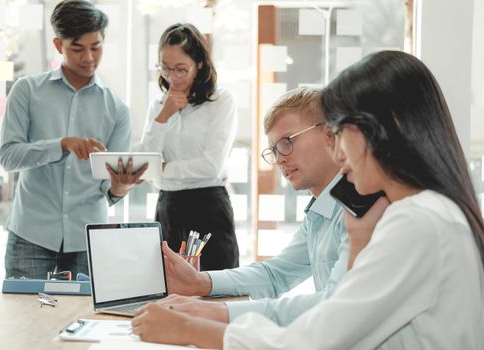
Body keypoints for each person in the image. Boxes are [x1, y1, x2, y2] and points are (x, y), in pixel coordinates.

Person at [131, 50, 484, 349]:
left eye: (341, 131)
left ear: (385, 127)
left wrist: (192, 329)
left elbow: (318, 337)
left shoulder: (417, 221)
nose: (338, 148)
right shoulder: (420, 212)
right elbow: (334, 313)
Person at [138, 86, 349, 326]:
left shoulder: (358, 211)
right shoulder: (319, 212)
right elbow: (274, 274)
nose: (279, 158)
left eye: (287, 141)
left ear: (329, 134)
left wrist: (216, 313)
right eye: (274, 149)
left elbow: (334, 306)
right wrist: (200, 281)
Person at [0, 0, 144, 280]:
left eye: (96, 47)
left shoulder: (117, 110)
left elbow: (109, 194)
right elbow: (8, 156)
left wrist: (120, 187)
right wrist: (60, 145)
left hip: (87, 241)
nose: (88, 57)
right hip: (31, 234)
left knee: (81, 322)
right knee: (27, 320)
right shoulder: (27, 92)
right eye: (77, 48)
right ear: (58, 45)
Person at [136, 23, 238, 270]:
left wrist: (162, 169)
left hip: (208, 205)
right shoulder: (158, 105)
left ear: (199, 64)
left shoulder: (220, 100)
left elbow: (211, 166)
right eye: (166, 68)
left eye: (181, 69)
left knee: (215, 289)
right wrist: (164, 115)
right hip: (168, 206)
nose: (172, 77)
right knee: (168, 290)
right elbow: (144, 162)